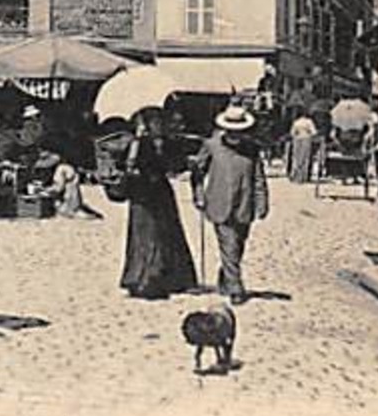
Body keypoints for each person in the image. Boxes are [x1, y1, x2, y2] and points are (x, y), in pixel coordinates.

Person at [191, 104, 269, 305]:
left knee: (238, 246)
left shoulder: (252, 149)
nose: (237, 135)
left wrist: (262, 203)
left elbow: (258, 178)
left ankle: (226, 277)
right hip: (219, 202)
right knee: (229, 245)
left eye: (240, 131)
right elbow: (198, 172)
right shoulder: (212, 145)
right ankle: (236, 288)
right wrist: (198, 194)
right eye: (233, 131)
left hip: (244, 204)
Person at [119, 110, 197, 299]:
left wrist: (188, 163)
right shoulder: (137, 144)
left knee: (166, 233)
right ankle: (144, 277)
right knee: (145, 235)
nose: (159, 126)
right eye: (155, 122)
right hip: (143, 192)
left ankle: (171, 277)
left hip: (160, 192)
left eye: (160, 122)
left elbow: (174, 165)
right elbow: (128, 166)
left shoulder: (167, 143)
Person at [287, 110, 319, 183]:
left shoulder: (296, 122)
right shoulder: (309, 122)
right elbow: (314, 132)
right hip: (306, 139)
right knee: (305, 158)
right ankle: (304, 176)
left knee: (297, 158)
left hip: (297, 139)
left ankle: (296, 176)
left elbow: (292, 133)